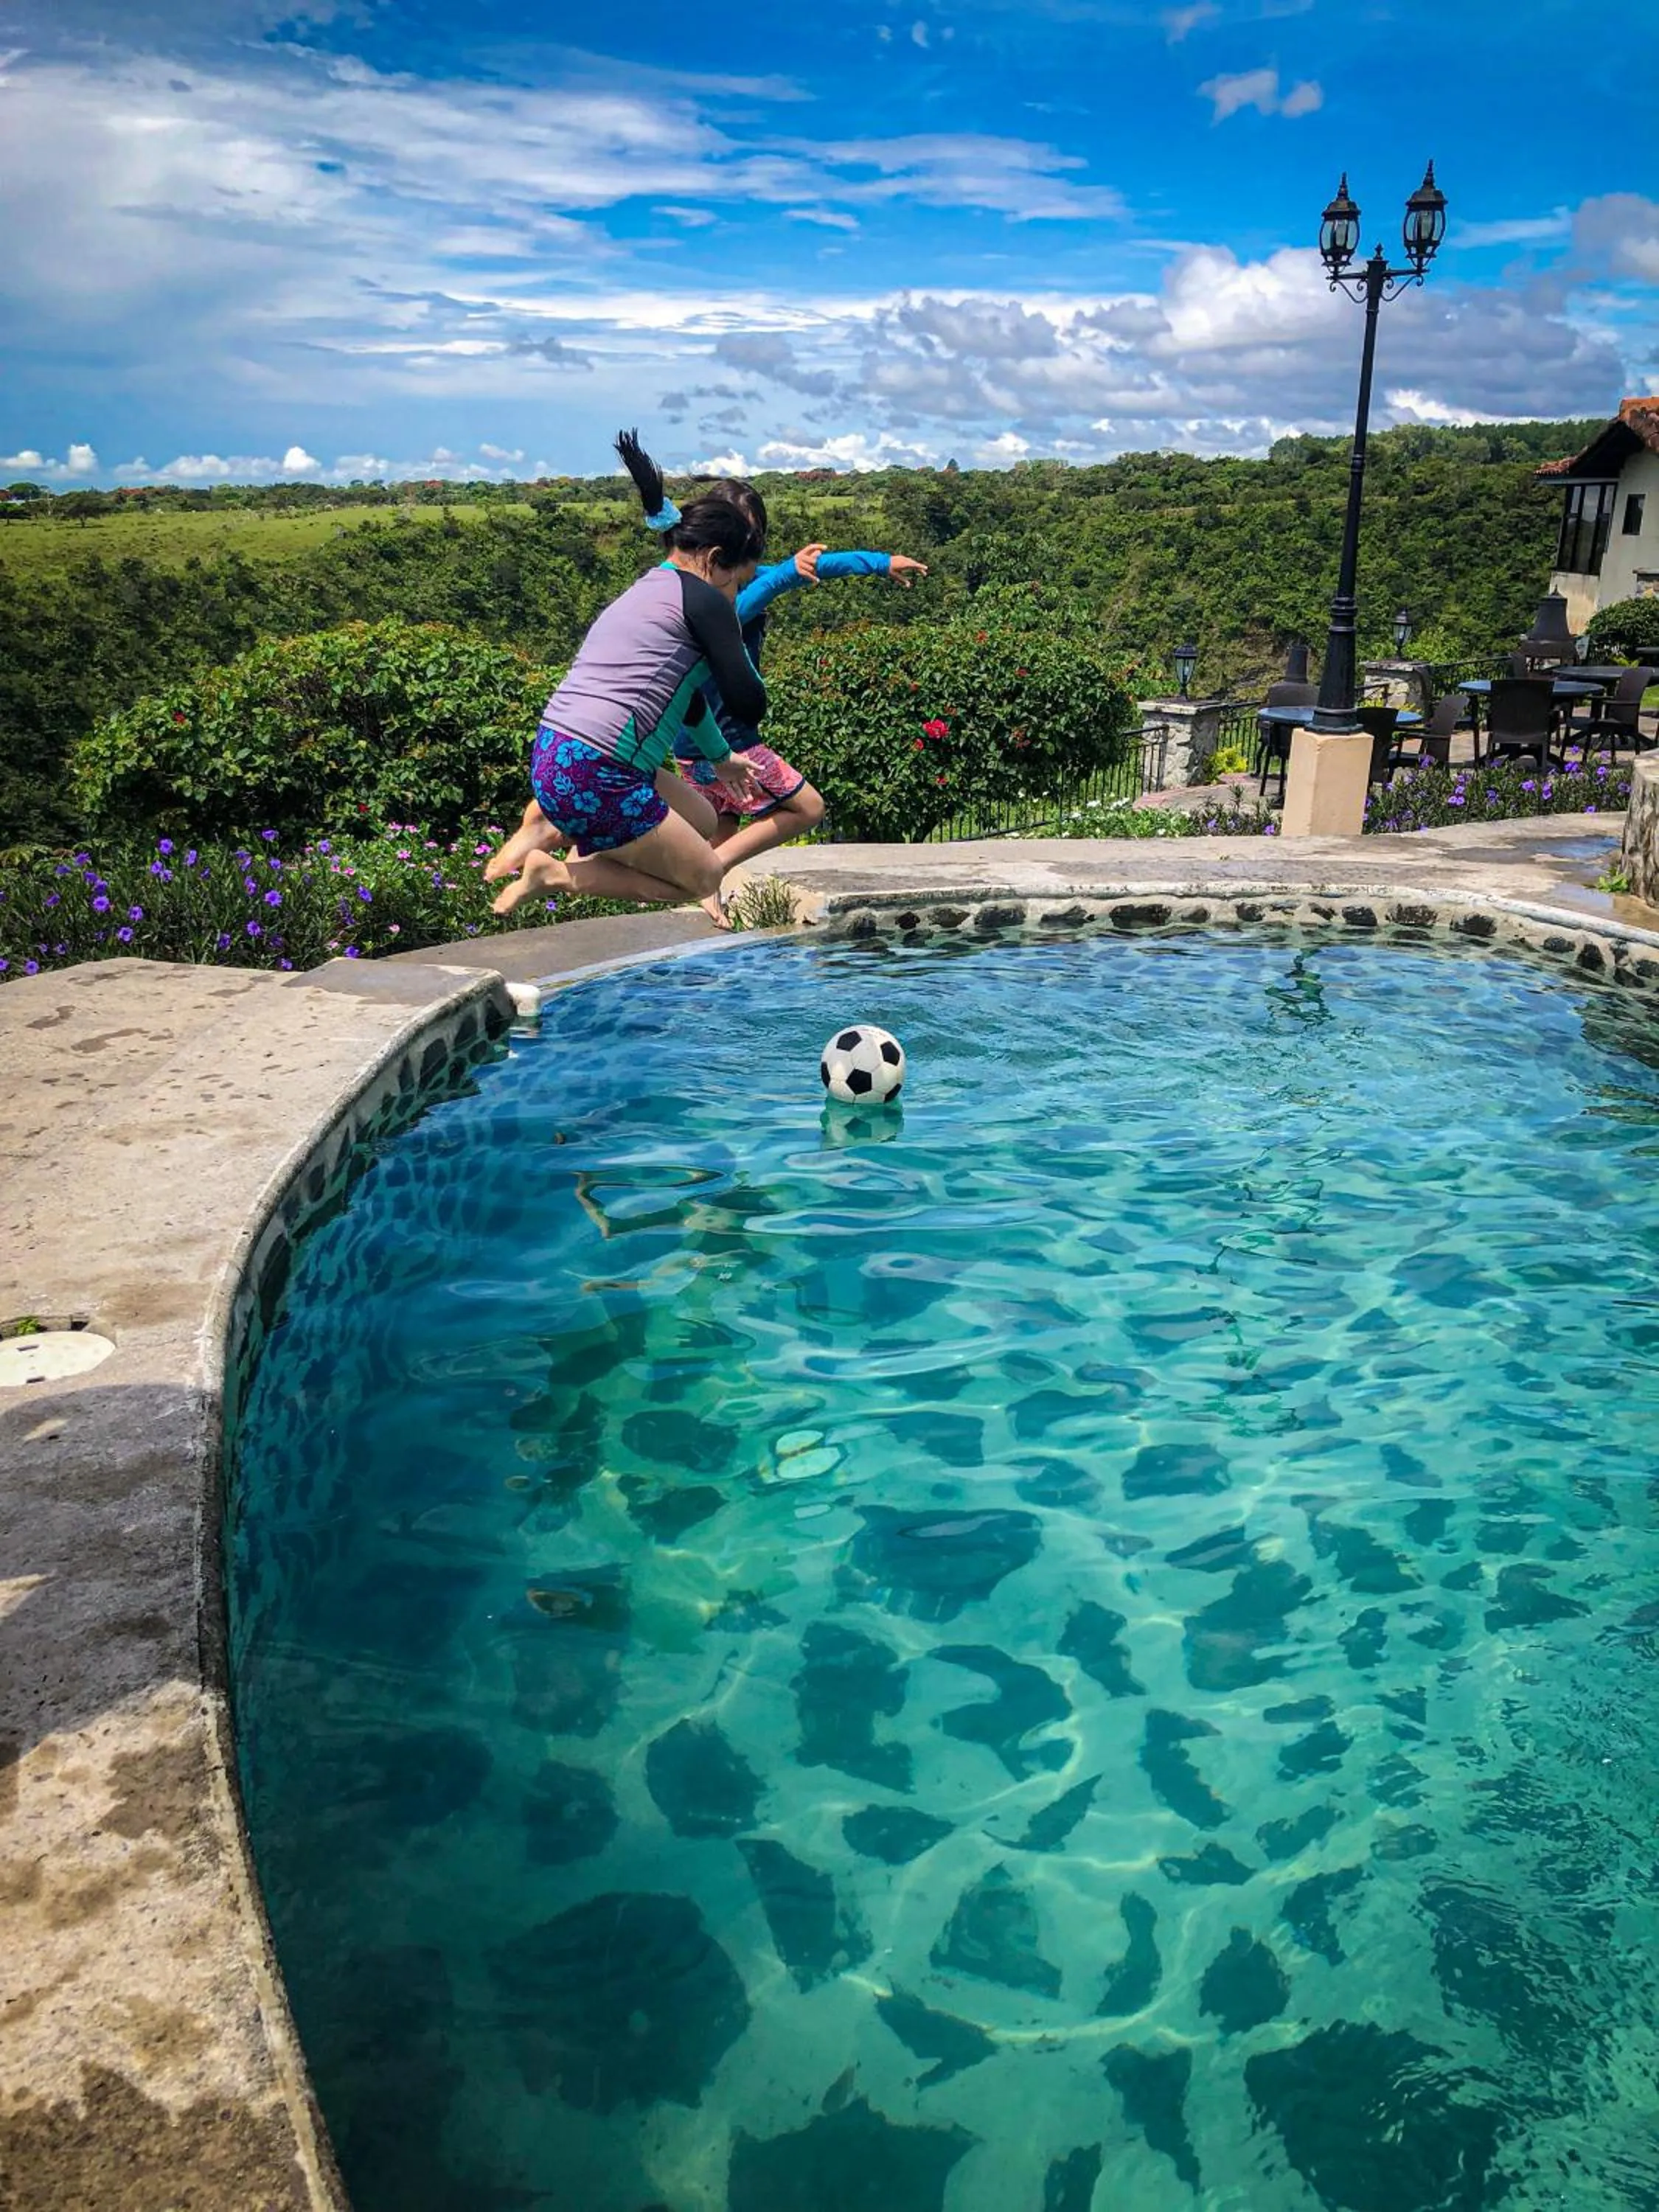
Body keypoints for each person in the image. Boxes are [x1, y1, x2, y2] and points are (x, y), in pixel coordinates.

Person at [488, 433, 765, 917]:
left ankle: (550, 824)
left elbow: (691, 700)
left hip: (556, 754)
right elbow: (749, 703)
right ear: (716, 560)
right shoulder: (705, 602)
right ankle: (554, 872)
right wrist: (734, 632)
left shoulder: (651, 586)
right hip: (599, 771)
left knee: (701, 819)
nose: (734, 591)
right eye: (737, 579)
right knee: (702, 876)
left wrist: (721, 759)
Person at [672, 481, 928, 921]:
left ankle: (709, 891)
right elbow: (750, 602)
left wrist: (880, 562)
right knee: (808, 808)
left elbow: (814, 567)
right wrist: (787, 574)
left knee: (724, 822)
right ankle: (708, 873)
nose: (746, 552)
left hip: (695, 738)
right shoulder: (707, 600)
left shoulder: (721, 578)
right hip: (725, 738)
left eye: (751, 541)